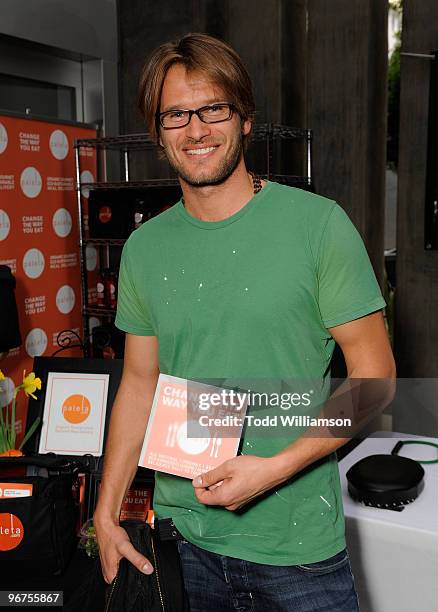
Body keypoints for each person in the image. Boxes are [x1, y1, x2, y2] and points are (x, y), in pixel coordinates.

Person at [94, 32, 396, 611]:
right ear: (158, 133)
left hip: (297, 550)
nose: (196, 129)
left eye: (212, 108)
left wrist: (274, 470)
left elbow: (375, 377)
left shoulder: (318, 227)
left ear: (245, 119)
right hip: (182, 544)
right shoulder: (144, 248)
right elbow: (139, 383)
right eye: (176, 114)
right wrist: (105, 512)